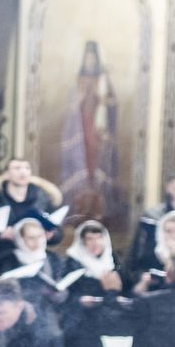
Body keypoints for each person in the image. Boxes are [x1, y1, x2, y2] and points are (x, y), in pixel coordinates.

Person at [60, 41, 121, 224]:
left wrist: (103, 100)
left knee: (97, 163)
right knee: (82, 162)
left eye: (93, 59)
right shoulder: (78, 80)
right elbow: (71, 109)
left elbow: (113, 105)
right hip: (81, 129)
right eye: (87, 59)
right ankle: (78, 208)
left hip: (98, 130)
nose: (90, 62)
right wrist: (80, 98)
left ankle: (99, 208)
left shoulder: (104, 81)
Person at [60, 220, 127, 347]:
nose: (95, 243)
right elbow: (66, 294)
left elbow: (124, 289)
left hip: (109, 322)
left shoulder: (113, 261)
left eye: (99, 238)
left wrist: (115, 294)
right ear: (82, 242)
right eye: (90, 239)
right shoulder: (72, 263)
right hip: (81, 323)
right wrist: (80, 300)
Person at [0, 157, 64, 251]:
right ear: (6, 174)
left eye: (27, 168)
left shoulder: (43, 199)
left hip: (33, 253)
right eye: (17, 168)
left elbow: (58, 232)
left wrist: (52, 235)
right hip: (2, 254)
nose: (23, 172)